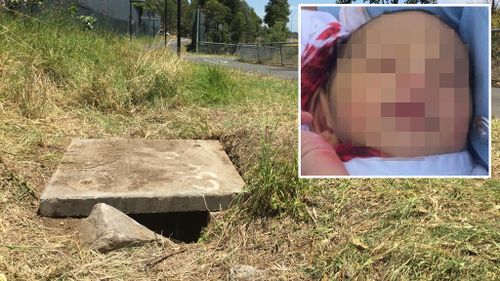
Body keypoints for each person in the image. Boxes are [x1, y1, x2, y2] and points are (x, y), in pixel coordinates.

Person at [300, 7, 488, 176]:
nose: (418, 82)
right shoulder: (319, 159)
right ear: (324, 119)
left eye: (445, 74)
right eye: (386, 65)